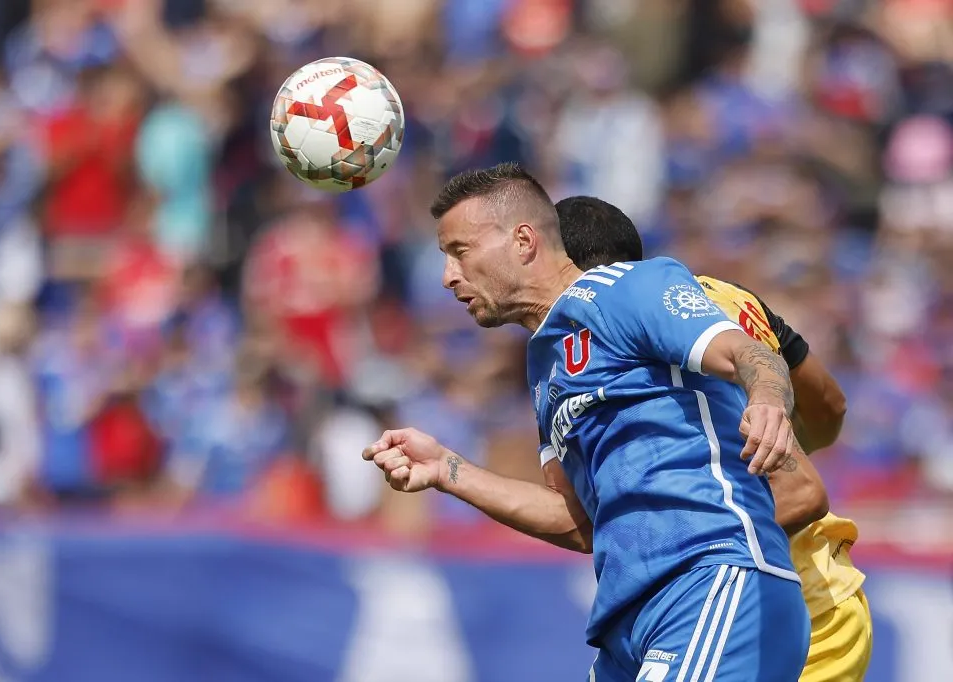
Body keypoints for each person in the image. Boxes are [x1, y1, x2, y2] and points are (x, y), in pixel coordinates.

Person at [363, 163, 812, 681]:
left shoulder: (628, 288)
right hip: (629, 620)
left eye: (460, 252)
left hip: (711, 577)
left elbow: (748, 353)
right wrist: (449, 470)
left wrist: (769, 401)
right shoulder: (543, 364)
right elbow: (577, 522)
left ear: (524, 240)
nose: (447, 276)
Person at [555, 195, 871, 682]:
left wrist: (685, 551)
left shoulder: (652, 337)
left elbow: (801, 491)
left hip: (800, 616)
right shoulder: (717, 295)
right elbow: (830, 407)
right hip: (777, 604)